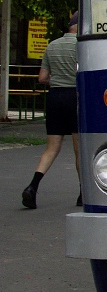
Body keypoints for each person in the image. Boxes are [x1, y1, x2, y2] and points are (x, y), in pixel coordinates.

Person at [21, 11, 79, 209]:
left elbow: (42, 78)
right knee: (79, 150)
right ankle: (83, 193)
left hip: (55, 97)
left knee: (51, 148)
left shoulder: (52, 45)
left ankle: (32, 186)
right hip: (75, 98)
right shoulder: (80, 46)